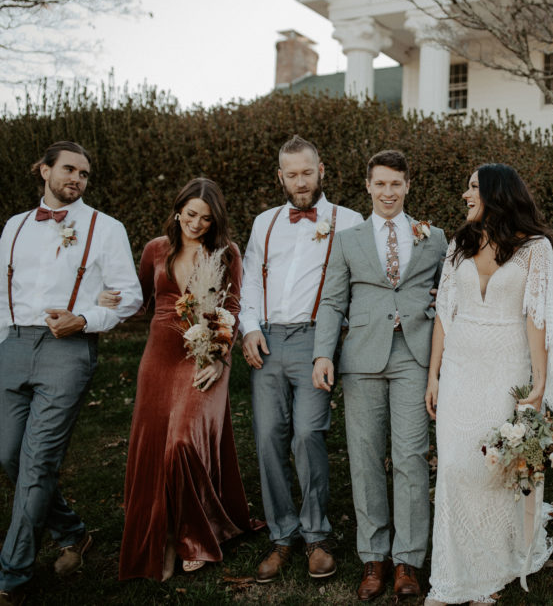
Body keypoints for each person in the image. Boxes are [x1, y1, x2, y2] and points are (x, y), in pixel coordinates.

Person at [0, 142, 142, 604]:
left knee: (38, 462)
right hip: (13, 344)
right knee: (8, 456)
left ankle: (12, 575)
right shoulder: (14, 227)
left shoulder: (106, 228)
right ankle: (72, 531)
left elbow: (129, 295)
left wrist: (84, 318)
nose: (77, 179)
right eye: (68, 169)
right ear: (44, 171)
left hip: (68, 350)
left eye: (84, 173)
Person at [423, 164, 553, 605]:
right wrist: (434, 374)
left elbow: (536, 315)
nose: (465, 195)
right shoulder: (458, 244)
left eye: (472, 187)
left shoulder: (536, 249)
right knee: (454, 467)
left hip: (507, 367)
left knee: (496, 467)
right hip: (461, 369)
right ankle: (451, 575)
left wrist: (539, 379)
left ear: (496, 194)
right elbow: (445, 313)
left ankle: (490, 570)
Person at [312, 149, 446, 601]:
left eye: (396, 184)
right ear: (367, 186)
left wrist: (436, 302)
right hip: (362, 358)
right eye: (380, 184)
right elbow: (331, 301)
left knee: (410, 457)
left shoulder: (435, 237)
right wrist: (322, 355)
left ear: (408, 185)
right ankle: (373, 557)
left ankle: (409, 560)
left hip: (414, 355)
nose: (388, 192)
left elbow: (452, 294)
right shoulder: (348, 239)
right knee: (365, 456)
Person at [118, 177, 257, 581]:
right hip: (159, 357)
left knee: (182, 441)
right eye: (191, 214)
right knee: (154, 444)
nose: (196, 224)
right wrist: (105, 300)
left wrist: (220, 358)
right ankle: (159, 532)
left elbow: (231, 307)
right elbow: (140, 301)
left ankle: (194, 533)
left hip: (207, 355)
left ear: (216, 222)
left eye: (206, 219)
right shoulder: (155, 250)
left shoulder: (226, 252)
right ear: (178, 209)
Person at [238, 136, 362, 583]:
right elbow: (250, 279)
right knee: (269, 436)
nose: (300, 182)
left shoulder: (349, 221)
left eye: (307, 172)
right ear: (280, 177)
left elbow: (357, 286)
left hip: (316, 341)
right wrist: (248, 326)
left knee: (309, 434)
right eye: (291, 175)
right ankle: (281, 534)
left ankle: (316, 535)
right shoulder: (264, 223)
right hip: (268, 339)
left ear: (321, 170)